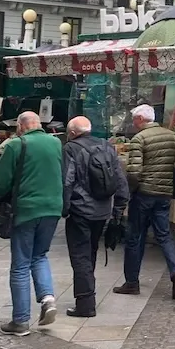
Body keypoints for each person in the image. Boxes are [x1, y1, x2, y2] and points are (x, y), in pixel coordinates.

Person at [0, 112, 64, 336]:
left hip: (26, 209)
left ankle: (21, 321)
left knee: (21, 264)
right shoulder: (56, 143)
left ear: (20, 126)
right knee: (40, 255)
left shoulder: (16, 145)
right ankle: (48, 298)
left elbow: (1, 183)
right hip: (53, 208)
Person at [114, 104, 175, 299]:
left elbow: (134, 171)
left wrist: (131, 190)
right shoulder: (171, 135)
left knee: (134, 237)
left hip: (143, 194)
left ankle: (132, 282)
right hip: (164, 194)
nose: (133, 123)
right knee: (164, 235)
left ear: (140, 119)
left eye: (134, 119)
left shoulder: (139, 139)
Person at [61, 115, 129, 318]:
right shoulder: (106, 146)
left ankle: (85, 303)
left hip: (80, 210)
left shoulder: (71, 148)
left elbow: (67, 181)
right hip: (102, 211)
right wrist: (118, 211)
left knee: (80, 256)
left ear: (72, 133)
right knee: (90, 253)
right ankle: (88, 294)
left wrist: (64, 209)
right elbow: (120, 180)